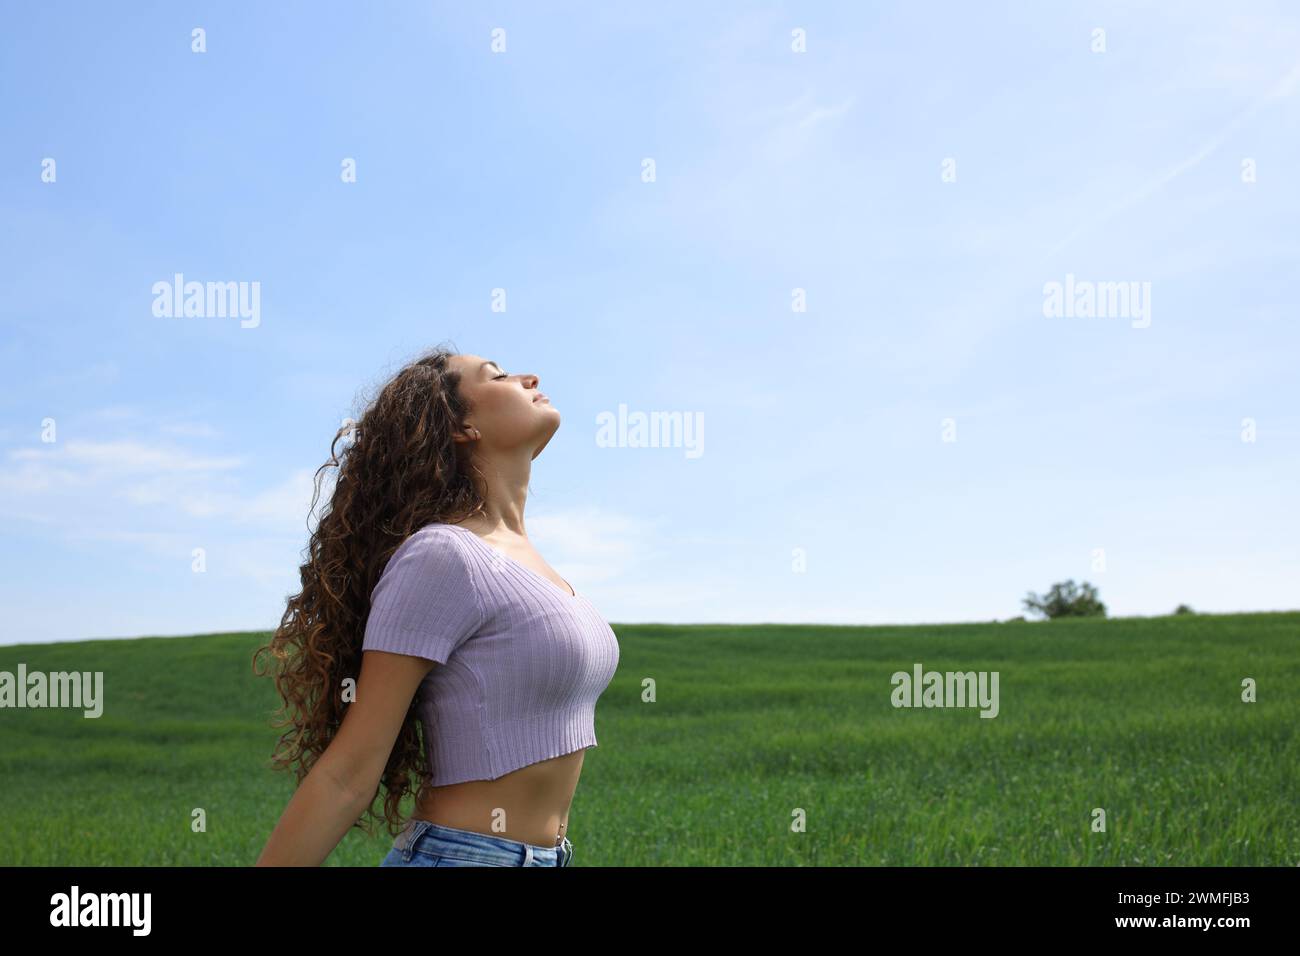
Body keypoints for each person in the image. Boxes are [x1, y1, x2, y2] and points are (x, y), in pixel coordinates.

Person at [253, 345, 619, 867]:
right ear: (461, 426)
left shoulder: (534, 564)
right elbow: (348, 773)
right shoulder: (443, 555)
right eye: (497, 375)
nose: (529, 375)